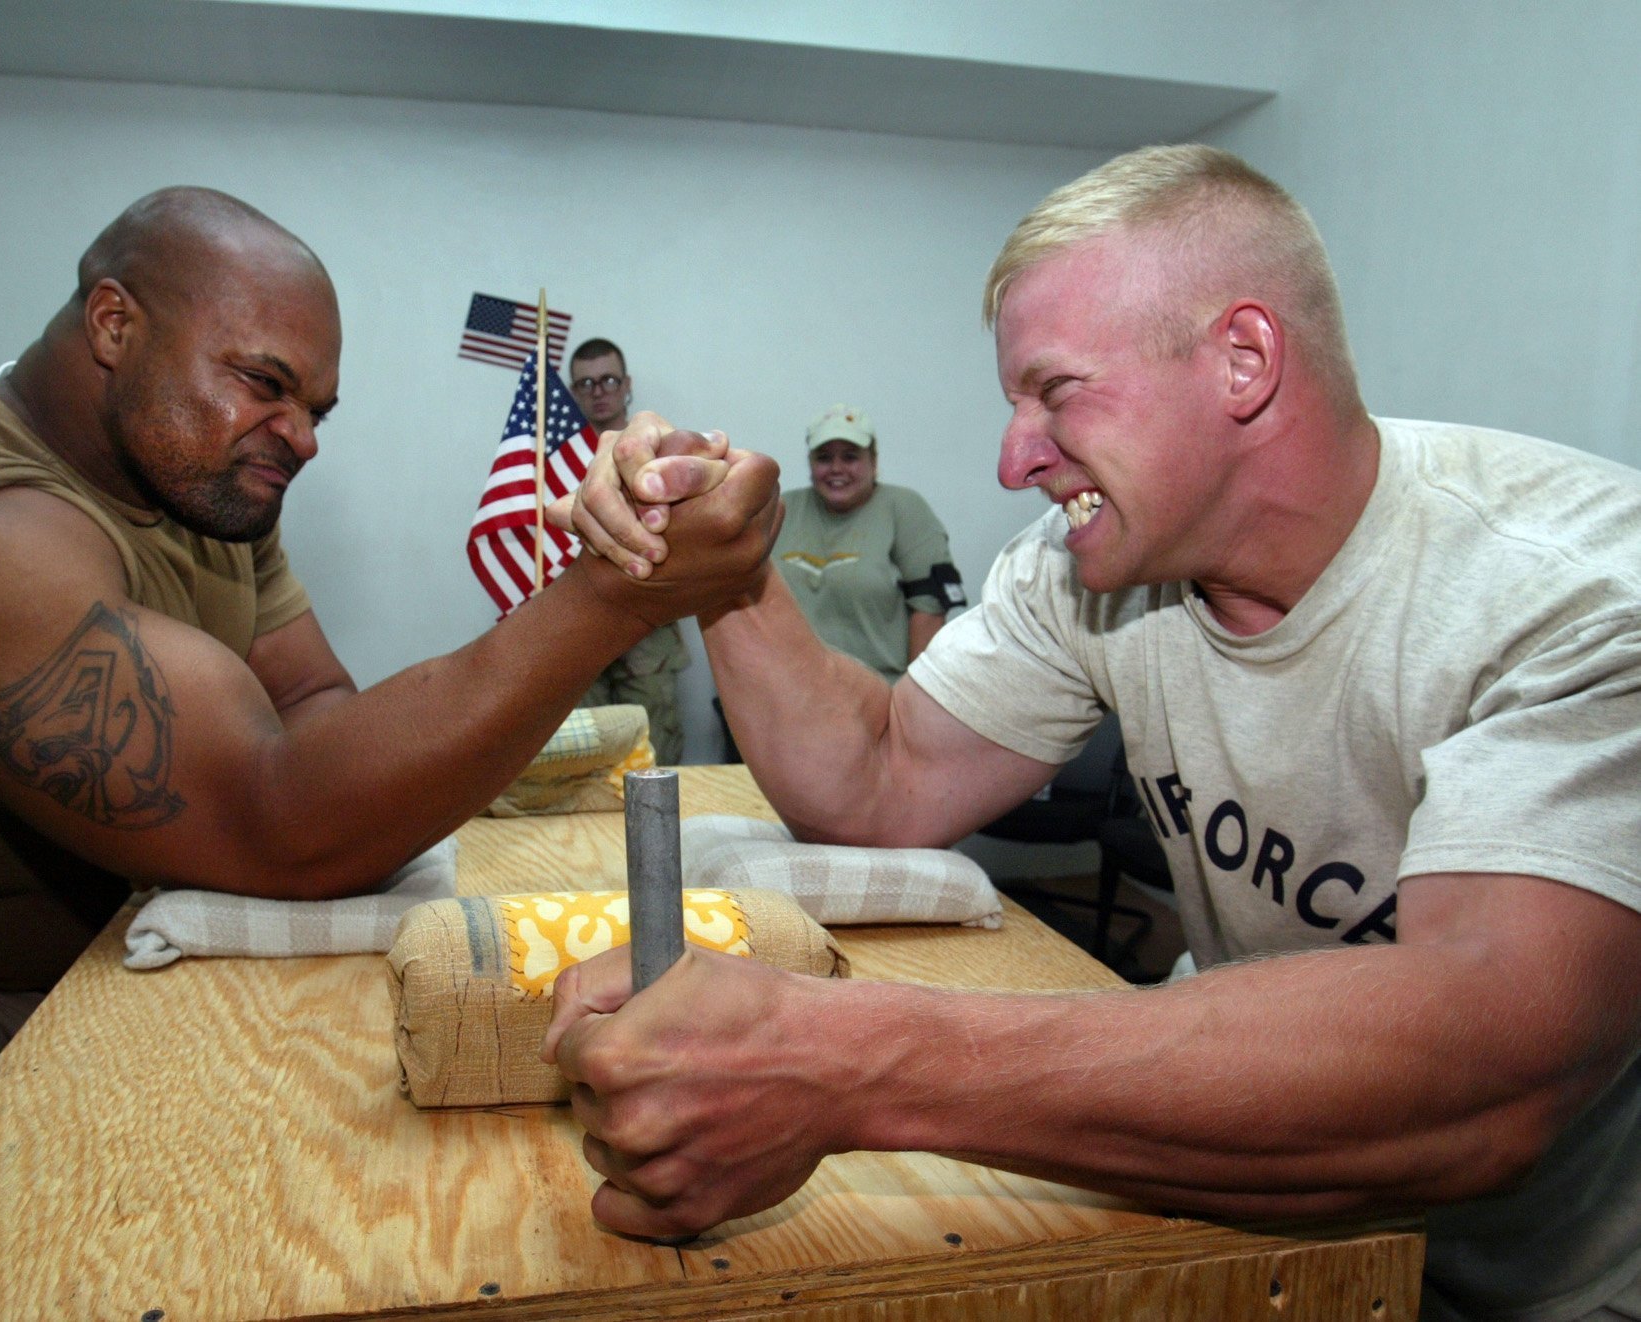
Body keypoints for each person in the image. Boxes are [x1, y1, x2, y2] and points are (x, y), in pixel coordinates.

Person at [545, 145, 1641, 1322]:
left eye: (1055, 392)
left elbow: (1485, 1067)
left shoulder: (1578, 592)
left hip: (1533, 1289)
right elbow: (876, 778)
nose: (1013, 457)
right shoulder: (1094, 571)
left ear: (1244, 360)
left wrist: (844, 1060)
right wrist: (725, 565)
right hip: (1239, 1211)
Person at [0, 187, 780, 1319]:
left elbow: (309, 704)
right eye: (264, 383)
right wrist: (610, 591)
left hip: (69, 971)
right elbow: (276, 820)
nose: (301, 436)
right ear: (113, 325)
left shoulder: (198, 490)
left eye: (316, 406)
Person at [774, 404, 965, 683]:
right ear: (811, 463)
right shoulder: (782, 510)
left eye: (850, 457)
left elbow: (930, 607)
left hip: (879, 692)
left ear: (873, 462)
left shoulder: (903, 509)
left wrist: (912, 697)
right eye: (824, 458)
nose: (836, 469)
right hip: (789, 690)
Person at [569, 337, 691, 763]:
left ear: (627, 385)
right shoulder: (555, 458)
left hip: (646, 617)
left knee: (655, 752)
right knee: (585, 754)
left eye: (607, 380)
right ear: (572, 393)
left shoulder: (656, 445)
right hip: (581, 613)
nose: (598, 391)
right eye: (585, 384)